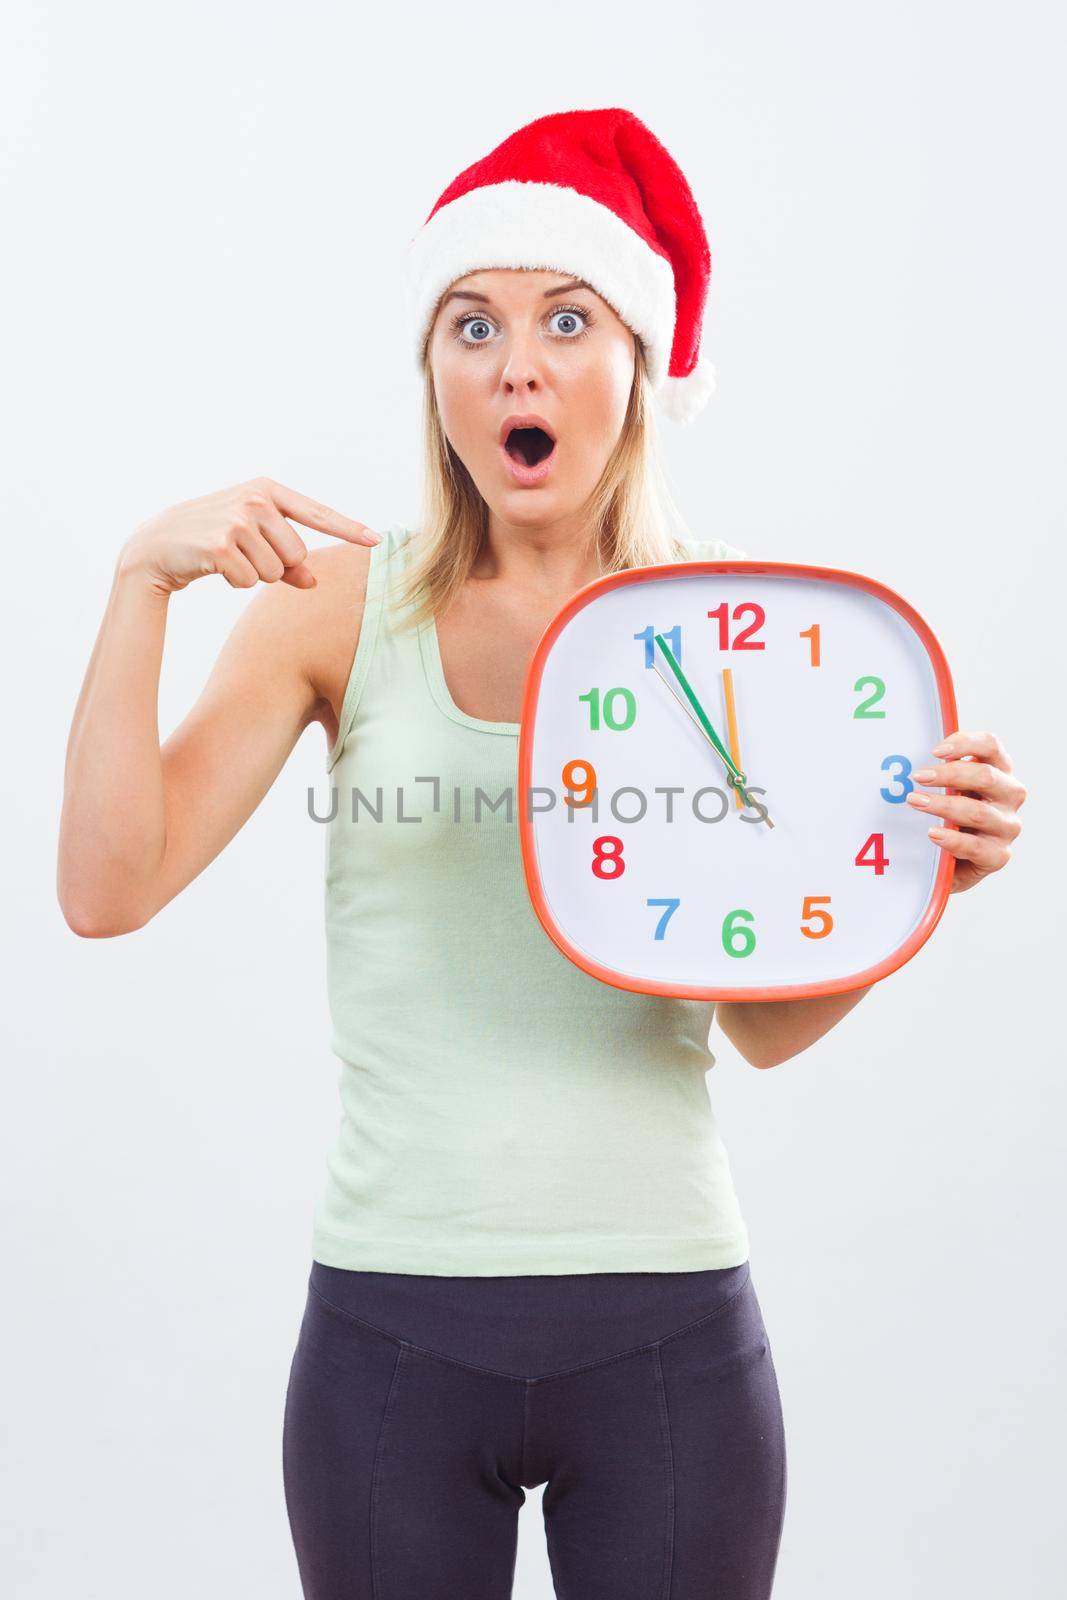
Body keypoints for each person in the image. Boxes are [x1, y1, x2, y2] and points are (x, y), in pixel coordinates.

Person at [58, 107, 1027, 1599]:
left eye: (568, 319)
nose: (518, 363)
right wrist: (139, 582)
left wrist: (924, 883)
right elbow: (106, 889)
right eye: (473, 323)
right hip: (388, 1332)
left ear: (638, 367)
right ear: (434, 372)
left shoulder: (729, 632)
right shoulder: (336, 609)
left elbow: (764, 1029)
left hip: (668, 1339)